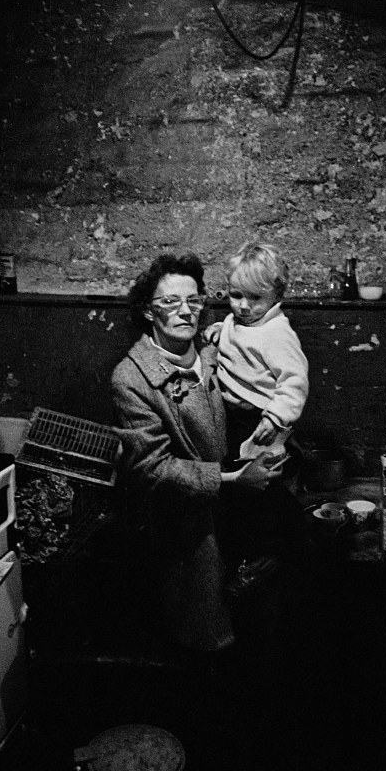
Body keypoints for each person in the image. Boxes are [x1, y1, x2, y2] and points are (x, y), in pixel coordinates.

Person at [110, 252, 282, 659]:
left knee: (257, 622)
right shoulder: (132, 379)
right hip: (186, 528)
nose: (185, 311)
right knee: (205, 635)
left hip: (238, 511)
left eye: (195, 300)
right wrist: (233, 480)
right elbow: (152, 470)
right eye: (170, 302)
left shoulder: (211, 350)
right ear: (148, 311)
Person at [207, 240, 309, 473]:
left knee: (260, 470)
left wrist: (274, 418)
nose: (243, 306)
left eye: (255, 298)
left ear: (276, 295)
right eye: (235, 295)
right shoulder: (241, 320)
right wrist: (221, 329)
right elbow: (241, 333)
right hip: (228, 412)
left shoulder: (277, 333)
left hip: (257, 416)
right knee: (234, 469)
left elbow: (294, 382)